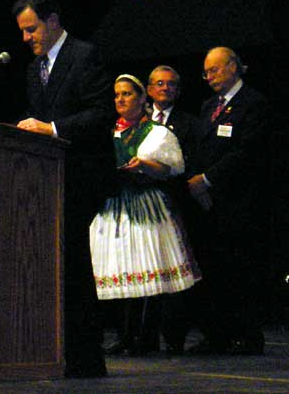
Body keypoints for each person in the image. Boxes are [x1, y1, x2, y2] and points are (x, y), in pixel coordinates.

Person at [12, 0, 115, 378]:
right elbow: (37, 116)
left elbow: (101, 113)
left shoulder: (85, 55)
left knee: (72, 261)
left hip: (83, 174)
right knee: (58, 263)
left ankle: (87, 357)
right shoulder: (34, 68)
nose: (26, 38)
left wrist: (52, 128)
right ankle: (59, 351)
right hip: (48, 179)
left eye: (31, 28)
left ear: (52, 20)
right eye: (23, 31)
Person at [90, 74, 201, 356]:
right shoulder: (106, 131)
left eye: (127, 94)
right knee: (122, 268)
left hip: (145, 204)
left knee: (146, 268)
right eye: (116, 95)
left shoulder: (155, 132)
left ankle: (145, 336)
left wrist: (145, 165)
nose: (120, 99)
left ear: (142, 98)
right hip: (114, 205)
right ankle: (125, 335)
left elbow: (170, 169)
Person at [187, 46, 270, 355]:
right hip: (208, 204)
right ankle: (217, 334)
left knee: (241, 270)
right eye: (206, 72)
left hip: (240, 202)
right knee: (213, 270)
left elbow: (247, 152)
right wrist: (197, 183)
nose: (209, 77)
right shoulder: (209, 106)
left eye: (215, 70)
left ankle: (248, 335)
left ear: (234, 67)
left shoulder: (254, 103)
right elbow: (198, 149)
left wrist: (208, 179)